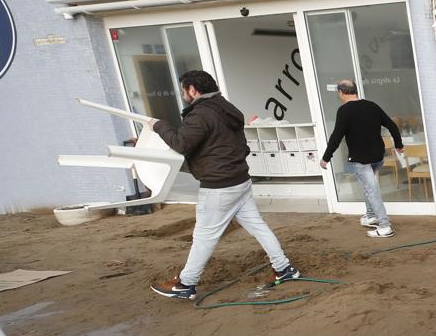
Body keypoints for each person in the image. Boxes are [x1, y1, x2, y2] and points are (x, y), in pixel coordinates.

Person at [149, 71, 298, 300]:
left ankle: (186, 283)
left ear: (192, 90)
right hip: (240, 179)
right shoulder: (227, 107)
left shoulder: (201, 114)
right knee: (258, 226)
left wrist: (159, 126)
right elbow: (238, 143)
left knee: (204, 235)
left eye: (183, 90)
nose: (183, 95)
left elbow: (180, 142)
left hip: (219, 186)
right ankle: (285, 268)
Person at [320, 79, 404, 238]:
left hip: (361, 159)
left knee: (371, 190)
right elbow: (392, 125)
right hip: (378, 157)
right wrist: (398, 144)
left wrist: (326, 158)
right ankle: (371, 216)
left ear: (341, 92)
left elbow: (336, 137)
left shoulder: (344, 111)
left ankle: (385, 226)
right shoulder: (372, 105)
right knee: (369, 185)